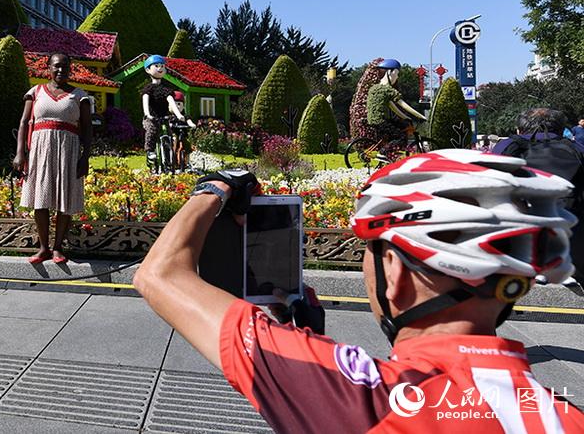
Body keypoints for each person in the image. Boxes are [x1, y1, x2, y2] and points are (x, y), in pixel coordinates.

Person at [134, 150, 584, 431]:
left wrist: (214, 188)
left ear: (397, 271)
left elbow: (160, 274)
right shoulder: (563, 415)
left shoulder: (358, 394)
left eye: (369, 251)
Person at [13, 52, 92, 265]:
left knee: (64, 200)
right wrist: (20, 152)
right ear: (48, 67)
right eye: (56, 66)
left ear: (70, 69)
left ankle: (58, 247)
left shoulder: (80, 95)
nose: (61, 70)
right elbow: (23, 123)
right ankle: (43, 248)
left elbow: (87, 130)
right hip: (40, 151)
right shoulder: (35, 91)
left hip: (69, 151)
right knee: (41, 198)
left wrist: (85, 157)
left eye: (65, 67)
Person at [494, 108, 584, 285]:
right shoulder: (576, 149)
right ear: (560, 129)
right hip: (573, 237)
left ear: (520, 129)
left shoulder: (506, 146)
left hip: (517, 238)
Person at [142, 55, 195, 168]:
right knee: (151, 130)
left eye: (162, 66)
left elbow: (171, 101)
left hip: (164, 116)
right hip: (151, 117)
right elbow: (145, 100)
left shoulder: (165, 89)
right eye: (156, 66)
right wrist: (147, 114)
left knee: (169, 135)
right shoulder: (148, 88)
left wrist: (178, 114)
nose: (160, 68)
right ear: (148, 70)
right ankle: (150, 151)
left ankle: (170, 157)